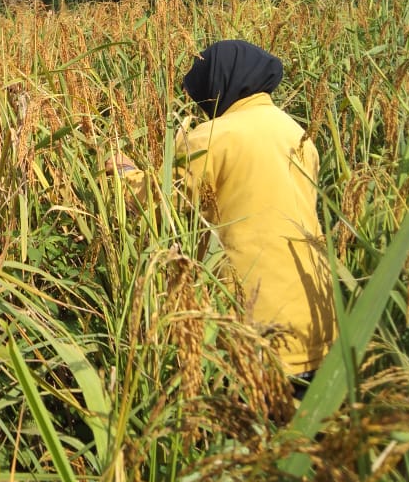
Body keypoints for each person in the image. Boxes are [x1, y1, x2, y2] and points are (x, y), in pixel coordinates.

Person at [105, 40, 335, 390]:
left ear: (218, 84)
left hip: (253, 325)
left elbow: (159, 203)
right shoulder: (297, 133)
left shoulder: (214, 136)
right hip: (316, 317)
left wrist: (123, 174)